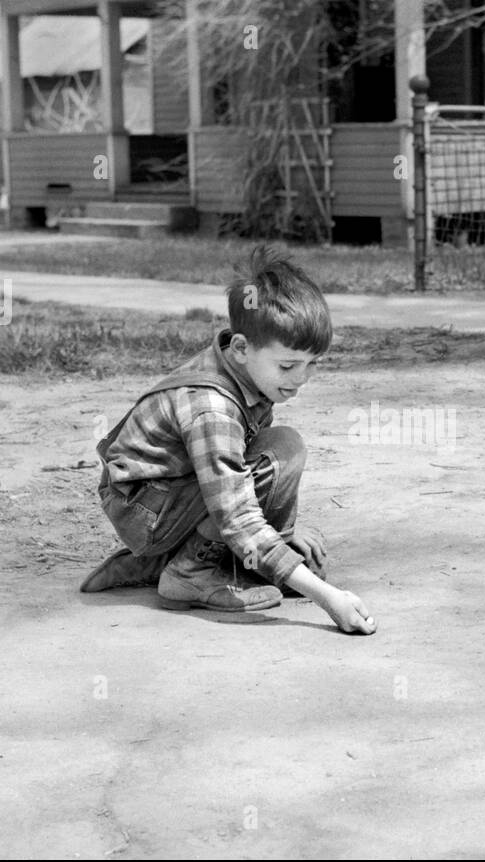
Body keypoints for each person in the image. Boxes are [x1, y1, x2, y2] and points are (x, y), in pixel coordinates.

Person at [79, 246, 377, 635]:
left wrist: (283, 536)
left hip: (169, 493)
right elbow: (234, 510)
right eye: (288, 365)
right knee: (282, 451)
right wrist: (326, 597)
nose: (301, 379)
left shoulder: (248, 370)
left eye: (312, 365)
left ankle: (166, 559)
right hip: (145, 510)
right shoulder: (213, 408)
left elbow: (240, 461)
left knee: (281, 446)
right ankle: (190, 571)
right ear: (240, 347)